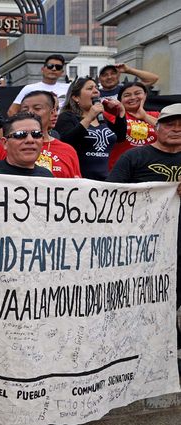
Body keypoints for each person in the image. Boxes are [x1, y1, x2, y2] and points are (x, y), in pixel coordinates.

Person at [106, 103, 181, 350]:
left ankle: (169, 355)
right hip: (144, 244)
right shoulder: (134, 157)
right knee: (145, 300)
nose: (176, 129)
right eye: (170, 124)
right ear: (156, 128)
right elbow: (111, 195)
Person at [0, 90, 81, 178]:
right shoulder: (3, 147)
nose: (30, 112)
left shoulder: (68, 151)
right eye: (25, 109)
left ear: (52, 113)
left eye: (37, 108)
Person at [54, 77, 126, 180]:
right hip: (80, 179)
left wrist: (121, 114)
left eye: (96, 88)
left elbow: (120, 137)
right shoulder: (67, 117)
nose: (96, 91)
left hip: (105, 179)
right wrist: (89, 118)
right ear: (75, 97)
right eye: (90, 88)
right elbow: (66, 142)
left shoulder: (101, 118)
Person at [0, 112, 54, 177]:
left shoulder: (47, 177)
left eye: (36, 134)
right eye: (20, 134)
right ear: (5, 143)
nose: (30, 140)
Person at [108, 81, 159, 170]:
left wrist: (145, 116)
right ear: (120, 100)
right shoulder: (114, 115)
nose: (133, 97)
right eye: (127, 95)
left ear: (145, 95)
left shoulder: (156, 115)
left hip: (152, 168)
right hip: (121, 168)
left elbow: (168, 131)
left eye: (137, 93)